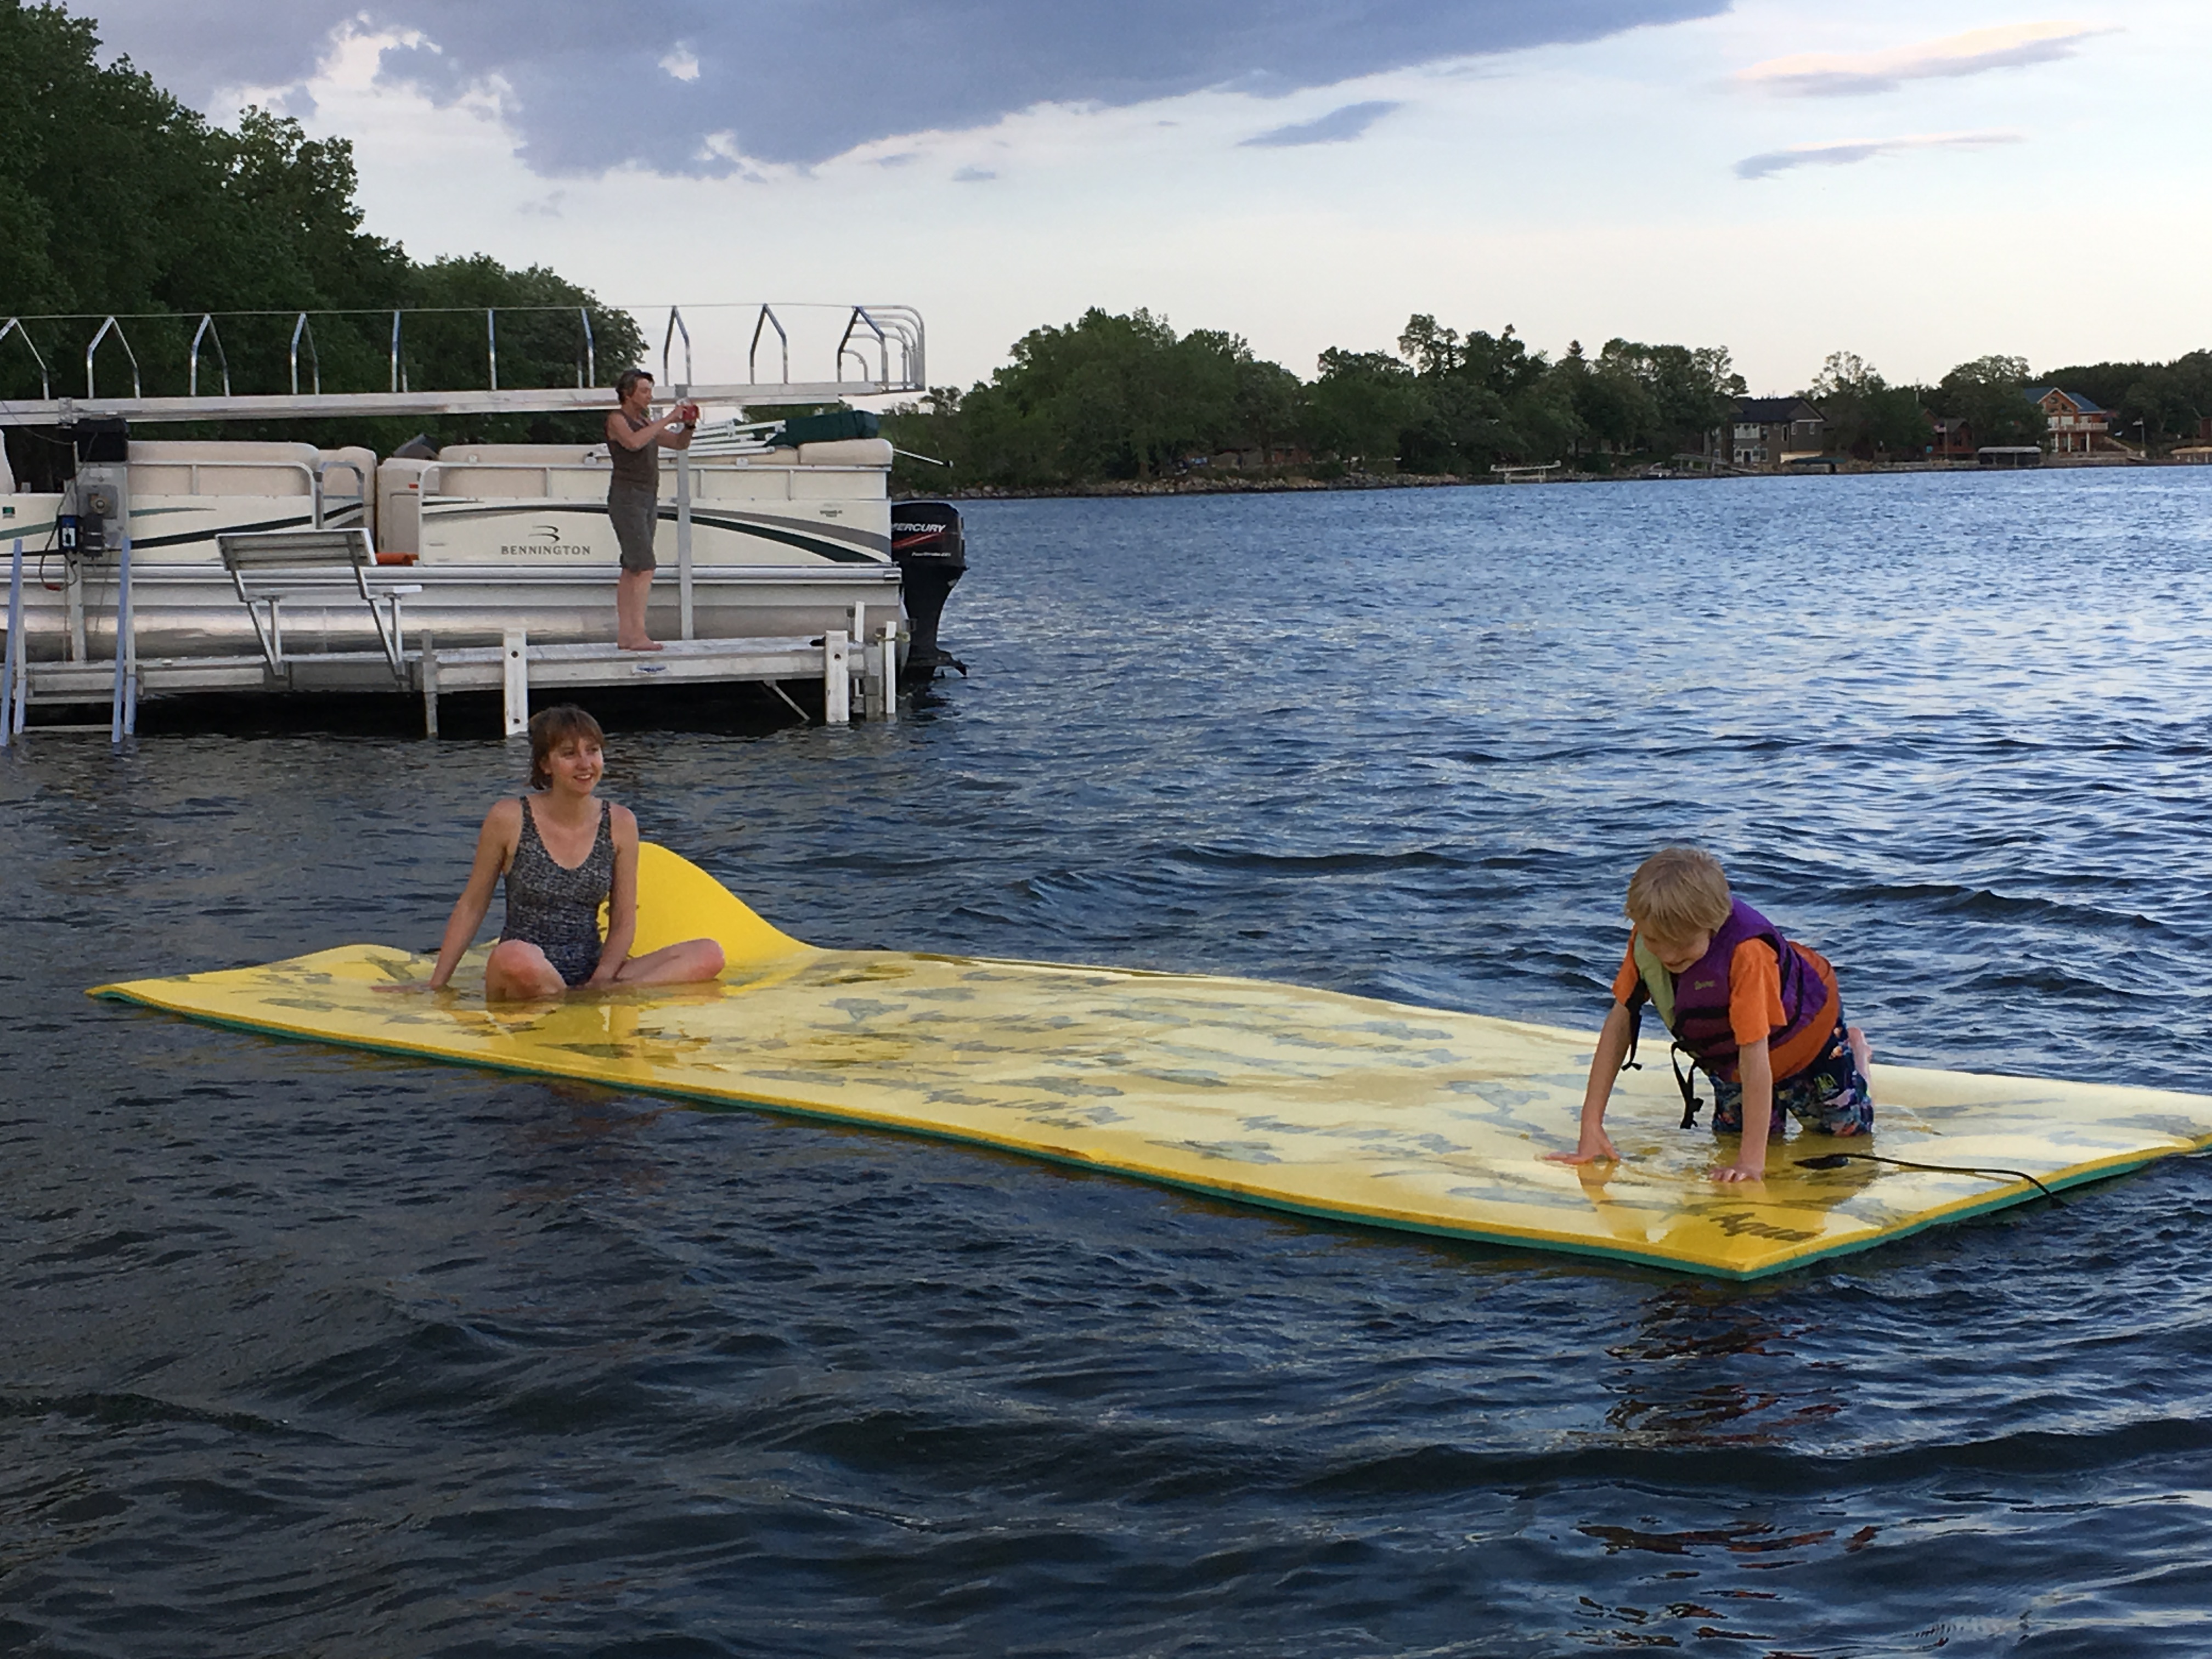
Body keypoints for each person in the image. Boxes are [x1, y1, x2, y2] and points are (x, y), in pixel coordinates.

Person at [1549, 847, 1875, 1183]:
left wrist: (1751, 1163)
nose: (1667, 955)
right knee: (1732, 1137)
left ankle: (1858, 1057)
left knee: (1845, 1130)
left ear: (1713, 926)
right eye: (1656, 940)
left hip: (1808, 1039)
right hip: (1733, 1056)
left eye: (1682, 945)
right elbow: (1621, 1022)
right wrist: (1591, 1123)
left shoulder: (1747, 954)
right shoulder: (1650, 935)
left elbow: (1755, 1052)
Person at [415, 704, 725, 1000]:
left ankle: (587, 996)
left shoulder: (620, 822)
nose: (585, 764)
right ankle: (581, 998)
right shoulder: (509, 818)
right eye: (569, 754)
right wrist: (436, 984)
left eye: (593, 751)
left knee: (709, 954)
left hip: (590, 971)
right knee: (513, 956)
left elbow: (623, 920)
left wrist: (602, 977)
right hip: (524, 970)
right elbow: (472, 906)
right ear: (545, 764)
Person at [604, 368, 699, 652]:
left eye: (650, 390)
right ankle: (637, 634)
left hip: (647, 497)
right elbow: (633, 443)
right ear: (627, 393)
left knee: (632, 568)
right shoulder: (617, 419)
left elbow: (679, 445)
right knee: (645, 566)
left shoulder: (645, 422)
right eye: (644, 391)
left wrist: (688, 426)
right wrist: (669, 418)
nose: (649, 396)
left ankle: (627, 635)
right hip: (627, 497)